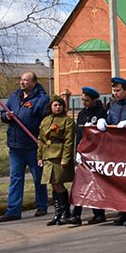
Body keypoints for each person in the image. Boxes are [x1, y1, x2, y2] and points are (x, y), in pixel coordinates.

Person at [0, 71, 49, 222]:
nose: (22, 82)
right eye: (21, 79)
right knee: (15, 179)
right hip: (15, 146)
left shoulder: (41, 99)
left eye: (26, 80)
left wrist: (42, 141)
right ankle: (13, 210)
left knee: (38, 178)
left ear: (34, 82)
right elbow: (2, 113)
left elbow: (45, 122)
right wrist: (5, 116)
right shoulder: (14, 97)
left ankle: (41, 205)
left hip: (33, 145)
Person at [96, 76, 126, 226]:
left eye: (118, 90)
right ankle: (123, 212)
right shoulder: (113, 105)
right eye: (114, 90)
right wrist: (103, 120)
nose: (115, 93)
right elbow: (110, 119)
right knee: (119, 181)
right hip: (115, 148)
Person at [68, 87, 107, 225]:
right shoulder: (81, 114)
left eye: (87, 100)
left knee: (95, 184)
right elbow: (78, 134)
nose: (84, 103)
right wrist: (78, 151)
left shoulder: (101, 112)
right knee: (80, 183)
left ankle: (99, 214)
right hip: (84, 153)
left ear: (95, 100)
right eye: (82, 100)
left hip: (97, 154)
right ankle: (76, 214)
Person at [37, 95, 76, 226]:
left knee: (58, 183)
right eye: (55, 105)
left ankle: (66, 212)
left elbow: (69, 141)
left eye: (60, 105)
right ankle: (57, 214)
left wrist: (66, 158)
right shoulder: (45, 120)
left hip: (59, 156)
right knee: (53, 184)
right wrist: (39, 157)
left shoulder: (67, 121)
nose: (58, 107)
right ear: (51, 107)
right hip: (48, 156)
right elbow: (41, 140)